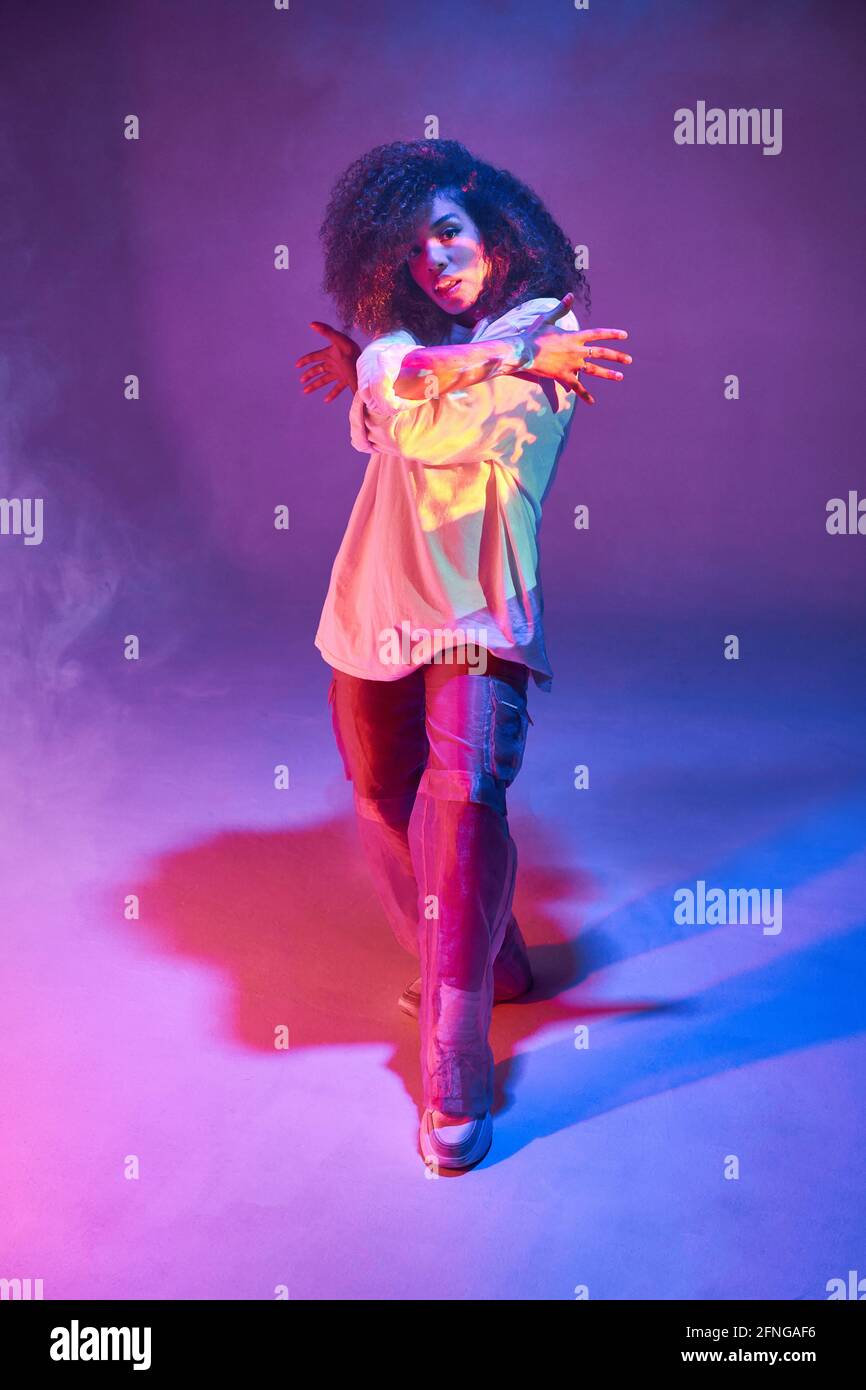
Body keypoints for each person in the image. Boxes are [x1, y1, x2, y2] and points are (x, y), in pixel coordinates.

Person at [297, 139, 632, 1171]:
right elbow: (392, 405)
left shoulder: (554, 331)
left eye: (447, 232)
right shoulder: (415, 341)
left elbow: (440, 435)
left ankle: (453, 1059)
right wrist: (391, 367)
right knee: (375, 796)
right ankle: (491, 955)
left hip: (477, 607)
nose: (433, 259)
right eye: (409, 249)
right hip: (376, 595)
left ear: (493, 229)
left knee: (462, 798)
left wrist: (444, 369)